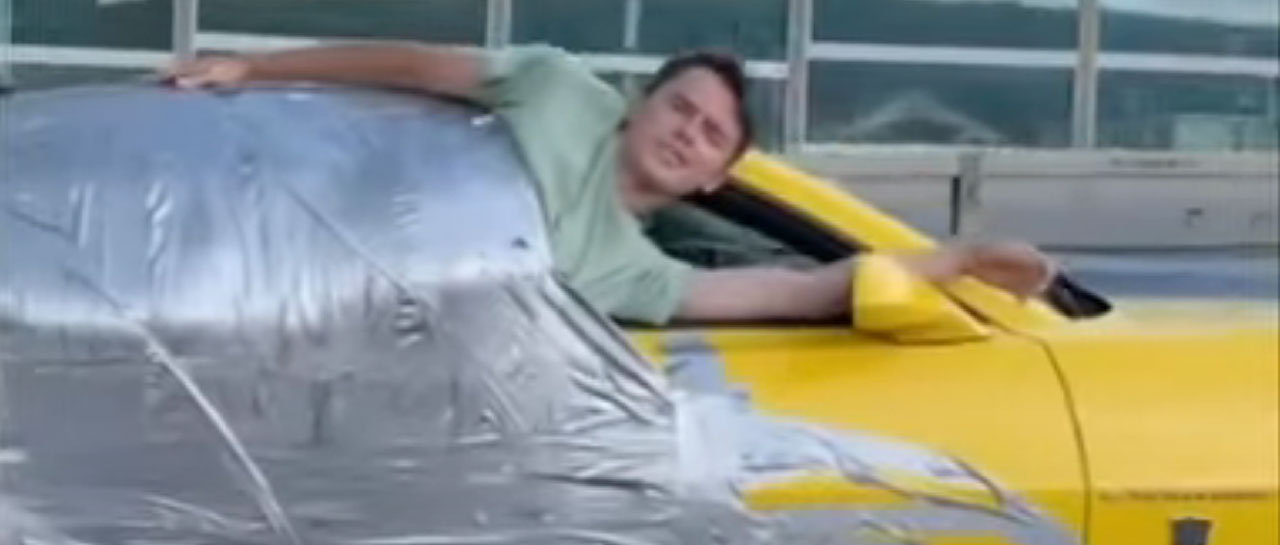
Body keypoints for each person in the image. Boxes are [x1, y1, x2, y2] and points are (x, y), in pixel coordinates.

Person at [166, 41, 1055, 325]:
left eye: (710, 135)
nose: (687, 132)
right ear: (636, 106)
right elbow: (411, 66)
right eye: (679, 108)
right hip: (255, 244)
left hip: (335, 338)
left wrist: (957, 259)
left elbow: (802, 288)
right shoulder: (558, 89)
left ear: (714, 179)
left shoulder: (637, 275)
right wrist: (255, 69)